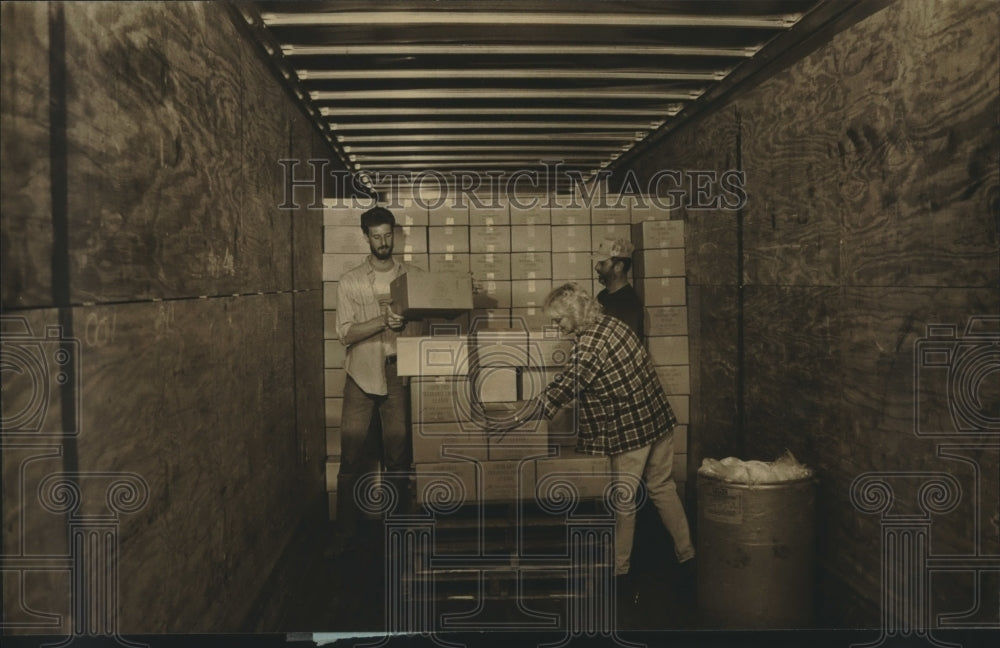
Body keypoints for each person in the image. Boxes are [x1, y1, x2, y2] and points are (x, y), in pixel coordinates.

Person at [487, 282, 694, 606]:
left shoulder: (588, 346)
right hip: (659, 420)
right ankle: (688, 557)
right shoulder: (612, 324)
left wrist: (518, 417)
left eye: (558, 320)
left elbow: (566, 386)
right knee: (662, 488)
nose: (556, 327)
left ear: (573, 313)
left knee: (622, 502)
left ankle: (619, 574)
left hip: (633, 430)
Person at [336, 206, 419, 543]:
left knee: (398, 457)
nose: (383, 242)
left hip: (398, 372)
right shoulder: (350, 281)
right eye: (376, 236)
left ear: (394, 234)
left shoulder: (412, 276)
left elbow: (434, 310)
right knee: (351, 456)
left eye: (388, 235)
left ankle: (398, 530)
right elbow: (345, 333)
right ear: (365, 237)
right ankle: (344, 535)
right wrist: (384, 320)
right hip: (361, 375)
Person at [593, 237, 642, 337]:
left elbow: (629, 346)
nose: (596, 267)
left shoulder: (628, 304)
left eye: (602, 263)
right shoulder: (602, 296)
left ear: (618, 267)